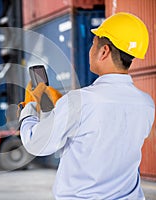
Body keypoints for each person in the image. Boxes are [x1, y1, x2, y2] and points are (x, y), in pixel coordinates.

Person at [19, 12, 155, 199]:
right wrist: (62, 107)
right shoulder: (146, 103)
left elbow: (37, 145)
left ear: (104, 51)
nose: (90, 49)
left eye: (93, 43)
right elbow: (104, 136)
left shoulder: (79, 102)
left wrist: (29, 108)